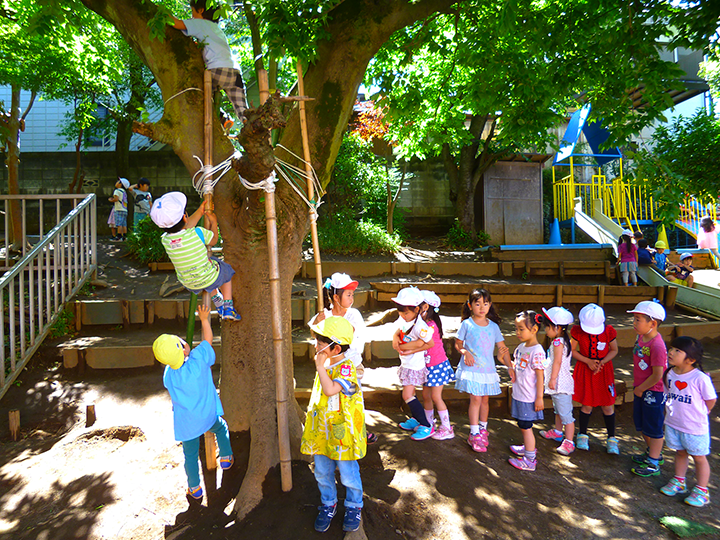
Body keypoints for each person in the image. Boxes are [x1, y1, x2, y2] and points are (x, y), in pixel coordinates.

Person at [152, 304, 234, 501]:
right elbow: (208, 341)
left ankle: (195, 488)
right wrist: (205, 319)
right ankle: (226, 457)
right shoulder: (198, 360)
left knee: (190, 455)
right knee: (221, 428)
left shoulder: (169, 375)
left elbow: (175, 366)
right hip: (207, 416)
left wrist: (183, 355)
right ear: (183, 348)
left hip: (187, 425)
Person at [301, 316, 365, 533]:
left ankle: (354, 505)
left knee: (348, 472)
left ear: (335, 347)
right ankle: (329, 503)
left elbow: (330, 390)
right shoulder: (327, 363)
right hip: (323, 431)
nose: (315, 346)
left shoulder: (347, 368)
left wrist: (320, 367)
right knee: (321, 470)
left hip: (342, 433)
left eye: (320, 343)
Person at [149, 191, 240, 321]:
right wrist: (214, 223)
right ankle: (228, 307)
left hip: (189, 283)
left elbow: (183, 227)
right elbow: (213, 240)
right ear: (185, 217)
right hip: (206, 276)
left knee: (208, 269)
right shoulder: (197, 232)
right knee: (224, 271)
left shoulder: (165, 240)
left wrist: (200, 211)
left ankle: (218, 302)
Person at [309, 272, 377, 444]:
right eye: (348, 294)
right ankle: (335, 432)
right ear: (336, 297)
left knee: (353, 400)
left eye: (352, 294)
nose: (351, 298)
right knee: (333, 401)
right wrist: (318, 322)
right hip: (330, 368)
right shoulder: (324, 314)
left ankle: (359, 431)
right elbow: (315, 334)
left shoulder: (353, 315)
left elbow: (355, 341)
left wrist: (339, 354)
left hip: (351, 367)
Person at [170, 0, 247, 127]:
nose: (191, 15)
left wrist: (161, 13)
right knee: (241, 107)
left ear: (200, 10)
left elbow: (176, 24)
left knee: (201, 94)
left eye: (192, 11)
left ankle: (222, 116)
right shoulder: (217, 30)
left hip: (216, 70)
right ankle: (248, 121)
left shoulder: (200, 23)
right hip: (234, 72)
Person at [660, 336, 717, 507]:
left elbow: (710, 399)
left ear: (691, 359)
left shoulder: (700, 378)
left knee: (699, 458)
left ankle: (702, 490)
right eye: (671, 348)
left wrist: (702, 412)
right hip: (674, 423)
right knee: (680, 452)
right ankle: (679, 481)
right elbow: (668, 393)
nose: (671, 352)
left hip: (695, 427)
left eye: (677, 350)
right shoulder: (670, 373)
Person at [455, 288, 513, 453]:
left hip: (487, 370)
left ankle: (483, 429)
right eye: (478, 304)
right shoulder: (467, 324)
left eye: (485, 304)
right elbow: (458, 343)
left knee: (485, 400)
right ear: (470, 305)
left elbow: (502, 348)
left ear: (490, 305)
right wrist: (465, 352)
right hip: (472, 368)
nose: (482, 307)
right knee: (475, 399)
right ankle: (474, 433)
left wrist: (510, 367)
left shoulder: (493, 327)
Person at [571, 303, 619, 454]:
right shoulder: (578, 332)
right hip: (586, 369)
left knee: (608, 404)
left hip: (604, 371)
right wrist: (588, 361)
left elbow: (614, 349)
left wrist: (602, 362)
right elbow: (572, 350)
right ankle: (583, 434)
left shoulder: (609, 331)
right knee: (587, 403)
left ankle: (611, 438)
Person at [628, 300, 668, 477]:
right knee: (642, 424)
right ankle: (652, 452)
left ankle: (653, 461)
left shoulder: (657, 346)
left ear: (652, 323)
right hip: (642, 388)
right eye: (634, 319)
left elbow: (658, 374)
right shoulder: (641, 337)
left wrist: (641, 388)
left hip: (653, 391)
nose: (634, 323)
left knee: (653, 427)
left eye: (638, 320)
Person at [392, 287, 435, 441]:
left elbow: (429, 343)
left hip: (414, 365)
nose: (403, 316)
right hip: (406, 364)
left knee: (407, 395)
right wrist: (395, 337)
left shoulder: (420, 326)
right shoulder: (404, 320)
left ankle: (426, 425)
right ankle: (417, 419)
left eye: (406, 312)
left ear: (416, 309)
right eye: (400, 312)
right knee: (411, 394)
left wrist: (408, 348)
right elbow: (398, 329)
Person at [507, 310, 545, 471]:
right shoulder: (521, 347)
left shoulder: (537, 351)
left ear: (534, 329)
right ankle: (527, 447)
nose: (518, 332)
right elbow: (517, 368)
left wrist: (539, 398)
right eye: (516, 328)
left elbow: (540, 376)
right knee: (522, 424)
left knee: (526, 425)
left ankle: (530, 459)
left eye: (521, 329)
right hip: (520, 393)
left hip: (528, 396)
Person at [538, 307, 576, 456]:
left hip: (560, 383)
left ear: (557, 327)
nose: (546, 330)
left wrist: (552, 378)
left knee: (566, 415)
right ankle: (557, 432)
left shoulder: (557, 343)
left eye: (548, 327)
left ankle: (569, 441)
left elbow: (557, 362)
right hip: (560, 383)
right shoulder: (562, 341)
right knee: (559, 410)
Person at [418, 290, 456, 441]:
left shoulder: (430, 326)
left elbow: (422, 344)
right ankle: (429, 423)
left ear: (425, 307)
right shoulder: (424, 323)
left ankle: (447, 428)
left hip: (437, 366)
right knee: (426, 395)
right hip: (427, 366)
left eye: (417, 306)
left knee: (435, 396)